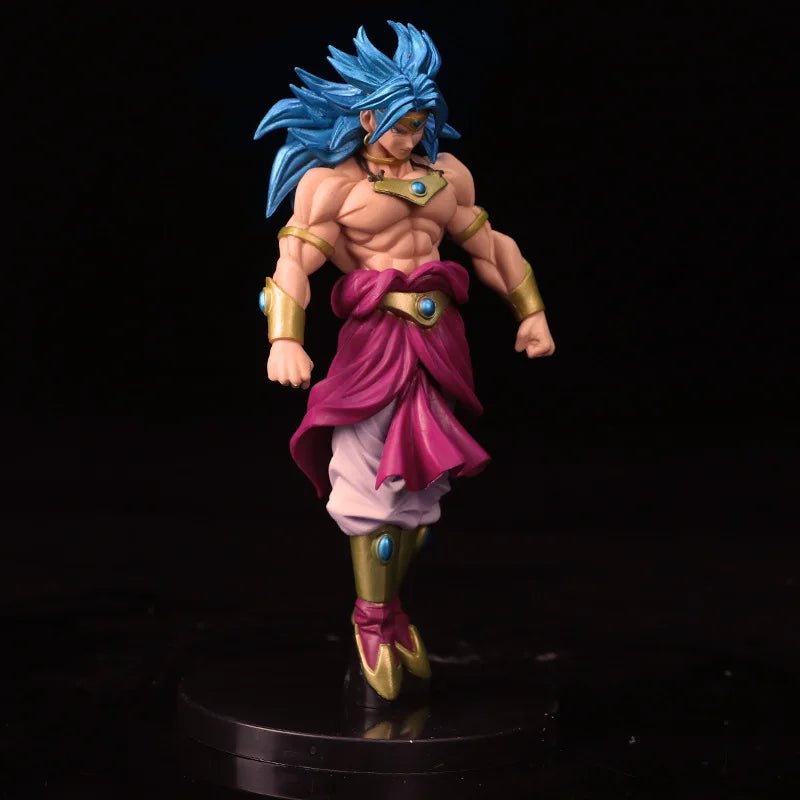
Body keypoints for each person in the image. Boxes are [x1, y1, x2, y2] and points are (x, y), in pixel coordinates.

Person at [255, 21, 555, 701]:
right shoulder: (332, 187)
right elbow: (293, 260)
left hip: (440, 344)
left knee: (422, 490)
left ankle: (390, 612)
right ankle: (371, 620)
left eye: (422, 123)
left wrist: (530, 308)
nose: (414, 136)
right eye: (402, 124)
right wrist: (285, 338)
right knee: (371, 488)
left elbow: (489, 245)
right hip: (375, 347)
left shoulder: (446, 176)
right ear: (368, 118)